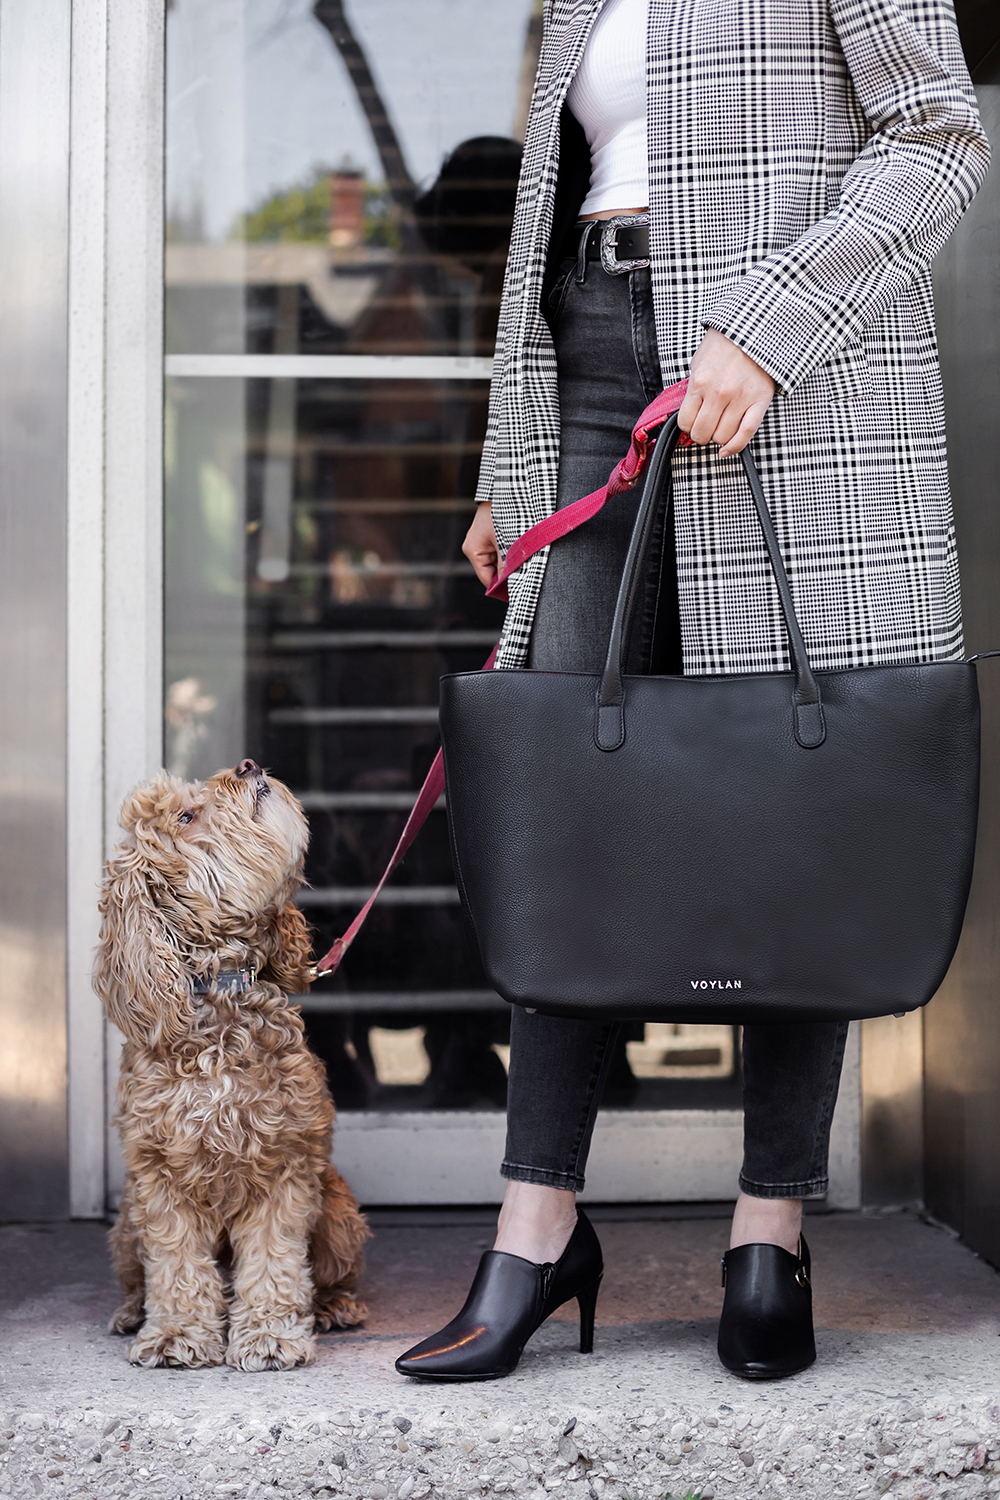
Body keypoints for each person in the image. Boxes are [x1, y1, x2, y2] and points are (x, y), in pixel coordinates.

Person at [395, 0, 990, 1382]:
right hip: (598, 350)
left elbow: (937, 134)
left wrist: (773, 327)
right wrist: (517, 449)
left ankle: (767, 1236)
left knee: (799, 809)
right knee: (569, 803)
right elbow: (555, 215)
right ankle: (535, 1236)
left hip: (803, 390)